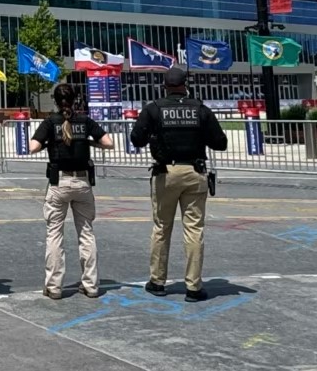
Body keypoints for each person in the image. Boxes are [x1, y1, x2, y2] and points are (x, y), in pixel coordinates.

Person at [132, 66, 228, 302]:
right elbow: (220, 142)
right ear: (186, 84)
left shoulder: (154, 109)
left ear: (164, 86)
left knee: (161, 228)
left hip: (166, 172)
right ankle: (194, 286)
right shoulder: (200, 109)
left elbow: (136, 139)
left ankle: (157, 281)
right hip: (195, 172)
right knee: (194, 229)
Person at [28, 83, 113, 299]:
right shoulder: (84, 122)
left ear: (55, 101)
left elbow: (33, 147)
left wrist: (49, 142)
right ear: (75, 100)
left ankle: (54, 286)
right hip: (82, 182)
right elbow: (109, 143)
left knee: (54, 234)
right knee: (86, 233)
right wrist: (89, 143)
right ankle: (91, 284)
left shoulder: (51, 122)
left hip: (59, 182)